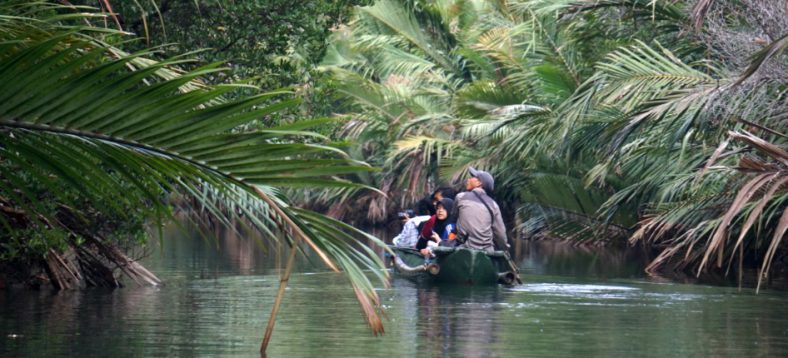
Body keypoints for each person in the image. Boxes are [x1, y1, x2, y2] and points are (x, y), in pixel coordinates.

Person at [452, 167, 508, 252]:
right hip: (487, 250)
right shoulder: (494, 205)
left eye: (472, 177)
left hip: (464, 248)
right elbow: (500, 234)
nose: (468, 179)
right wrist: (504, 248)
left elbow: (454, 216)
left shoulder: (460, 197)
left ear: (479, 183)